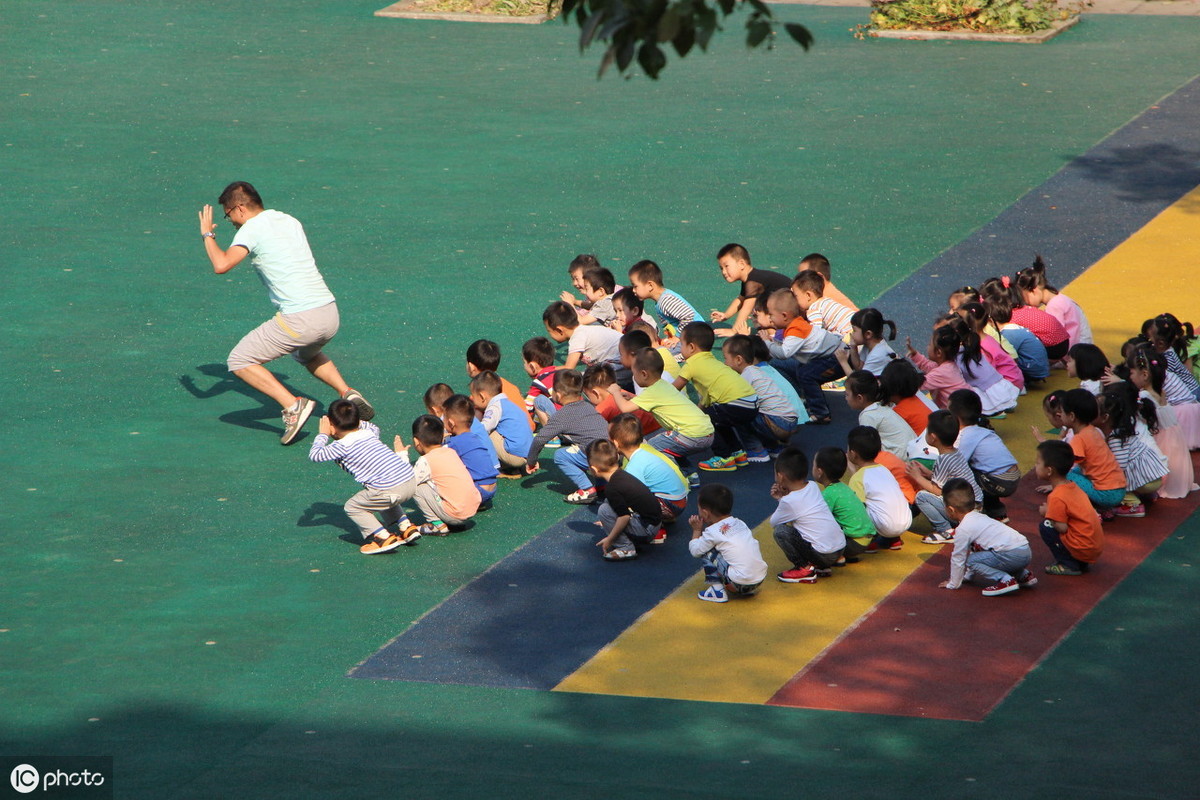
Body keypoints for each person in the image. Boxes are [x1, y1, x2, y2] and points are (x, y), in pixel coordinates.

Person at [198, 181, 372, 445]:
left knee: (239, 360)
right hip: (329, 313)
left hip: (300, 319)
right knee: (305, 353)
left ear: (240, 208)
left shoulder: (252, 229)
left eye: (228, 214)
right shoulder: (289, 220)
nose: (230, 220)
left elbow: (221, 264)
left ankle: (293, 406)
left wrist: (207, 236)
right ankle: (347, 392)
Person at [308, 399, 419, 554]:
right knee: (379, 491)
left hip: (390, 490)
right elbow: (371, 425)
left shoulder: (340, 447)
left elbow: (315, 455)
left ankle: (382, 537)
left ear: (332, 426)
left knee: (353, 507)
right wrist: (351, 420)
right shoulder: (370, 432)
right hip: (410, 481)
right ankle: (406, 527)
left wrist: (323, 434)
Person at [610, 347, 715, 484]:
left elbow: (624, 408)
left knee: (653, 447)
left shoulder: (652, 392)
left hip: (691, 435)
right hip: (707, 432)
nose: (633, 376)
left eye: (633, 373)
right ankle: (689, 474)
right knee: (669, 445)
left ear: (643, 374)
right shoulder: (663, 385)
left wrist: (615, 391)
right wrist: (632, 397)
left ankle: (675, 479)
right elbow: (652, 403)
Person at [673, 322, 761, 471]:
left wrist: (656, 391)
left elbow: (674, 388)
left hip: (736, 403)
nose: (680, 348)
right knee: (718, 418)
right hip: (752, 402)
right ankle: (738, 453)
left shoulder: (691, 364)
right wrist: (699, 410)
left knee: (706, 420)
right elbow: (707, 396)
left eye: (681, 344)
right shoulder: (712, 360)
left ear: (692, 347)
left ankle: (723, 457)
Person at [937, 478, 1036, 597]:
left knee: (971, 560)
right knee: (988, 554)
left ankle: (1005, 580)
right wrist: (968, 576)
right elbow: (976, 550)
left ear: (950, 510)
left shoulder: (963, 528)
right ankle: (1023, 575)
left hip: (1010, 555)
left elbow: (958, 557)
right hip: (1025, 551)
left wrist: (953, 583)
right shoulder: (980, 517)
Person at [525, 370, 611, 504]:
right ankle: (601, 483)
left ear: (558, 395)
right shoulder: (588, 406)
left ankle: (587, 489)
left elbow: (540, 439)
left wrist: (531, 461)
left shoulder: (562, 415)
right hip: (612, 452)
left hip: (596, 456)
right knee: (589, 444)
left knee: (561, 455)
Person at [761, 289, 844, 424]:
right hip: (828, 355)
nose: (769, 318)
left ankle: (821, 413)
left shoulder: (796, 330)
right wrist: (773, 343)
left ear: (784, 315)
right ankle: (810, 400)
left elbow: (784, 353)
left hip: (835, 359)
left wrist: (766, 343)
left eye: (771, 314)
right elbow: (786, 347)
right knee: (802, 369)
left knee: (807, 375)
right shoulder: (795, 325)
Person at [769, 447, 846, 583]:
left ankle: (804, 568)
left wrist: (780, 499)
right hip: (840, 548)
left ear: (780, 476)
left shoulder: (789, 501)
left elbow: (774, 522)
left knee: (780, 532)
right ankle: (821, 566)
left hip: (824, 554)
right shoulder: (812, 485)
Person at [906, 410, 983, 544]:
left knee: (921, 496)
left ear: (932, 437)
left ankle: (945, 529)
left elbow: (937, 490)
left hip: (964, 510)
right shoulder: (955, 453)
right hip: (976, 505)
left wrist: (917, 477)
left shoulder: (943, 459)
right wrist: (927, 473)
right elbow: (948, 479)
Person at [398, 415, 482, 536]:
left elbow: (408, 481)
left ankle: (437, 525)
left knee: (417, 488)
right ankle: (452, 519)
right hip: (472, 509)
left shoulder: (426, 460)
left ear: (417, 441)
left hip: (456, 514)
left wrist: (402, 455)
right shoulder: (450, 452)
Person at [947, 390, 1021, 522]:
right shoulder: (982, 430)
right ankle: (997, 512)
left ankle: (973, 512)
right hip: (1012, 476)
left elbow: (956, 463)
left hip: (1000, 481)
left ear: (956, 417)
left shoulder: (966, 435)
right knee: (980, 470)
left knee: (964, 473)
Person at [721, 334, 801, 456]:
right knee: (759, 409)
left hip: (778, 423)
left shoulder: (746, 376)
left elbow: (736, 401)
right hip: (791, 422)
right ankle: (774, 447)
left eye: (725, 358)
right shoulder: (757, 371)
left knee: (737, 412)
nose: (724, 363)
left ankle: (755, 450)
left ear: (738, 359)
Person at [688, 483, 769, 602]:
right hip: (759, 579)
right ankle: (741, 588)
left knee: (707, 551)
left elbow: (695, 551)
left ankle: (717, 591)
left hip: (739, 582)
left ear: (705, 513)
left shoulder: (712, 532)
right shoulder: (739, 522)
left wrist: (696, 531)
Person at [1035, 440, 1104, 576]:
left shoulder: (1056, 496)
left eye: (1037, 463)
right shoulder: (1072, 486)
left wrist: (1047, 512)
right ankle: (1079, 561)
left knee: (1046, 526)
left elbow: (1062, 528)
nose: (1035, 466)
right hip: (1093, 545)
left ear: (1049, 470)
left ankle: (1068, 564)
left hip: (1083, 547)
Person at [589, 440, 664, 561]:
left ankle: (625, 547)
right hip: (655, 524)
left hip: (647, 530)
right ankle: (630, 540)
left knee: (604, 510)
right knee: (609, 504)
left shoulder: (611, 487)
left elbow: (624, 516)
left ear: (594, 469)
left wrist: (610, 539)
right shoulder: (622, 474)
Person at [609, 413, 688, 524]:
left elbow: (632, 495)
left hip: (670, 505)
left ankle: (653, 528)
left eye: (610, 438)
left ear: (616, 443)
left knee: (626, 499)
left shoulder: (634, 465)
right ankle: (663, 518)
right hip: (680, 500)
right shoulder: (644, 452)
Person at [846, 425, 912, 551]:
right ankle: (894, 540)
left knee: (854, 507)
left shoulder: (858, 478)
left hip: (885, 526)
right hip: (905, 522)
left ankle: (870, 541)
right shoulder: (884, 469)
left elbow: (857, 509)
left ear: (853, 454)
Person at [710, 243, 793, 337]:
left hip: (792, 308)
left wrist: (734, 330)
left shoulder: (753, 282)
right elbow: (740, 299)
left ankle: (775, 334)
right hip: (785, 307)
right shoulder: (750, 279)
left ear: (741, 264)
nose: (724, 272)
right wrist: (726, 315)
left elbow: (746, 308)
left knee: (757, 314)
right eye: (721, 268)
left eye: (726, 266)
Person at [812, 446, 875, 562]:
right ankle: (846, 555)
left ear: (819, 472)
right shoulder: (844, 487)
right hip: (865, 540)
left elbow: (820, 520)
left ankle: (838, 556)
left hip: (853, 543)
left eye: (814, 465)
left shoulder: (828, 494)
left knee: (817, 525)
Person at [1014, 256, 1093, 347]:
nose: (1025, 302)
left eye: (1025, 297)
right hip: (1082, 347)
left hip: (1073, 352)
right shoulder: (1060, 298)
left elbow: (1055, 338)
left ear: (1034, 291)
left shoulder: (1054, 306)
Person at [471, 371, 535, 475]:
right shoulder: (508, 403)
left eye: (473, 396)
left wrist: (465, 430)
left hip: (515, 457)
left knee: (486, 435)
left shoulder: (495, 407)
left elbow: (483, 428)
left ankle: (493, 468)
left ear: (482, 397)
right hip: (527, 454)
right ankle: (511, 468)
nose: (472, 399)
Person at [542, 300, 625, 380]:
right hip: (625, 362)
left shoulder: (577, 337)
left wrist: (544, 372)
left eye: (549, 331)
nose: (549, 334)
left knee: (583, 381)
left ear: (559, 330)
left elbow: (568, 368)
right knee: (586, 376)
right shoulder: (584, 331)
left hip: (620, 367)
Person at [627, 259, 700, 349]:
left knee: (661, 356)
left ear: (650, 285)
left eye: (635, 286)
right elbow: (668, 326)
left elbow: (689, 316)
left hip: (695, 337)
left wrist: (677, 337)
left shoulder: (666, 300)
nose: (633, 290)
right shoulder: (659, 301)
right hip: (686, 337)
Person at [443, 394, 501, 507]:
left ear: (451, 423)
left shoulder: (456, 442)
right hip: (492, 488)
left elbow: (437, 455)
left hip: (478, 490)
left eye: (444, 418)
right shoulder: (474, 437)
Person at [466, 339, 535, 430]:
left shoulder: (481, 392)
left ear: (471, 367)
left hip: (509, 436)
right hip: (528, 430)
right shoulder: (510, 386)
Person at [844, 370, 914, 459]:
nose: (845, 398)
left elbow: (865, 447)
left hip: (901, 459)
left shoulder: (868, 415)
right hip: (910, 452)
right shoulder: (881, 406)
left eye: (847, 394)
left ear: (859, 398)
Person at [904, 326, 971, 409]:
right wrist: (915, 355)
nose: (927, 347)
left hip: (958, 413)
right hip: (967, 405)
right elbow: (929, 366)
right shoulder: (948, 365)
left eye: (929, 345)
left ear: (939, 352)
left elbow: (917, 383)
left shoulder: (942, 373)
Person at [835, 308, 898, 377]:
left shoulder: (877, 355)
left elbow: (859, 384)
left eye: (854, 330)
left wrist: (843, 362)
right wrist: (853, 348)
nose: (852, 334)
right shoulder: (869, 346)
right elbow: (859, 368)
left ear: (868, 334)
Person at [791, 270, 854, 339]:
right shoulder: (825, 300)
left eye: (795, 296)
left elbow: (815, 332)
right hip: (855, 322)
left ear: (808, 295)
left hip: (849, 331)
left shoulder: (813, 309)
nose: (794, 300)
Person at [521, 336, 562, 426]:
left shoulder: (539, 381)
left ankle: (551, 435)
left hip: (561, 423)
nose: (524, 365)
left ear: (532, 366)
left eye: (524, 362)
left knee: (537, 402)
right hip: (577, 415)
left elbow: (527, 408)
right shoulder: (560, 373)